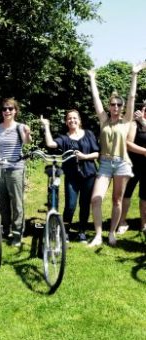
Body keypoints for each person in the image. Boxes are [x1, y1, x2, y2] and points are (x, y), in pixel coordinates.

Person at [87, 62, 146, 247]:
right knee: (96, 199)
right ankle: (98, 235)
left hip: (122, 164)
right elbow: (95, 98)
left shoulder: (127, 121)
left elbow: (131, 96)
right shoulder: (104, 120)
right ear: (109, 106)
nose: (115, 107)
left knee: (117, 200)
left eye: (118, 105)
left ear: (121, 107)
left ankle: (111, 233)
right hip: (105, 164)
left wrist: (134, 74)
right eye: (112, 104)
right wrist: (92, 79)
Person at [40, 110, 99, 243]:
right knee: (70, 205)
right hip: (72, 176)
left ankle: (82, 232)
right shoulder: (64, 138)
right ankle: (65, 231)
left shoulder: (89, 134)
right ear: (66, 122)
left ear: (79, 120)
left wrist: (84, 156)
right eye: (69, 119)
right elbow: (50, 144)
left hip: (89, 175)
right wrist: (46, 127)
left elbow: (97, 153)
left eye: (74, 118)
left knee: (84, 205)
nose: (72, 120)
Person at [0, 98, 32, 247]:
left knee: (17, 203)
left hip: (15, 169)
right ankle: (5, 230)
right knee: (2, 203)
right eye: (4, 109)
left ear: (15, 111)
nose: (7, 111)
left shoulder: (20, 127)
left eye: (10, 109)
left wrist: (28, 133)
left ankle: (17, 235)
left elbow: (27, 142)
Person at [118, 105, 146, 234]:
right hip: (133, 165)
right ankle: (122, 221)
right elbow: (128, 144)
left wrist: (144, 122)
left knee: (145, 197)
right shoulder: (134, 125)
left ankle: (143, 224)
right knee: (126, 193)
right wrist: (144, 151)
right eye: (144, 109)